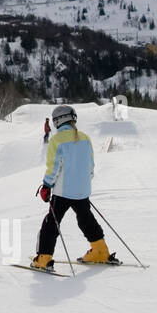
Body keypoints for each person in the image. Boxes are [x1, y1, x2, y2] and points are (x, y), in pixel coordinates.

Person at [30, 105, 111, 270]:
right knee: (86, 219)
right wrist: (81, 184)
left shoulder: (57, 140)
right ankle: (100, 251)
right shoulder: (85, 138)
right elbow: (90, 166)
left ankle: (43, 258)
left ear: (59, 120)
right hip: (82, 191)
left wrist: (46, 186)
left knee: (51, 224)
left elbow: (54, 167)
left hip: (62, 192)